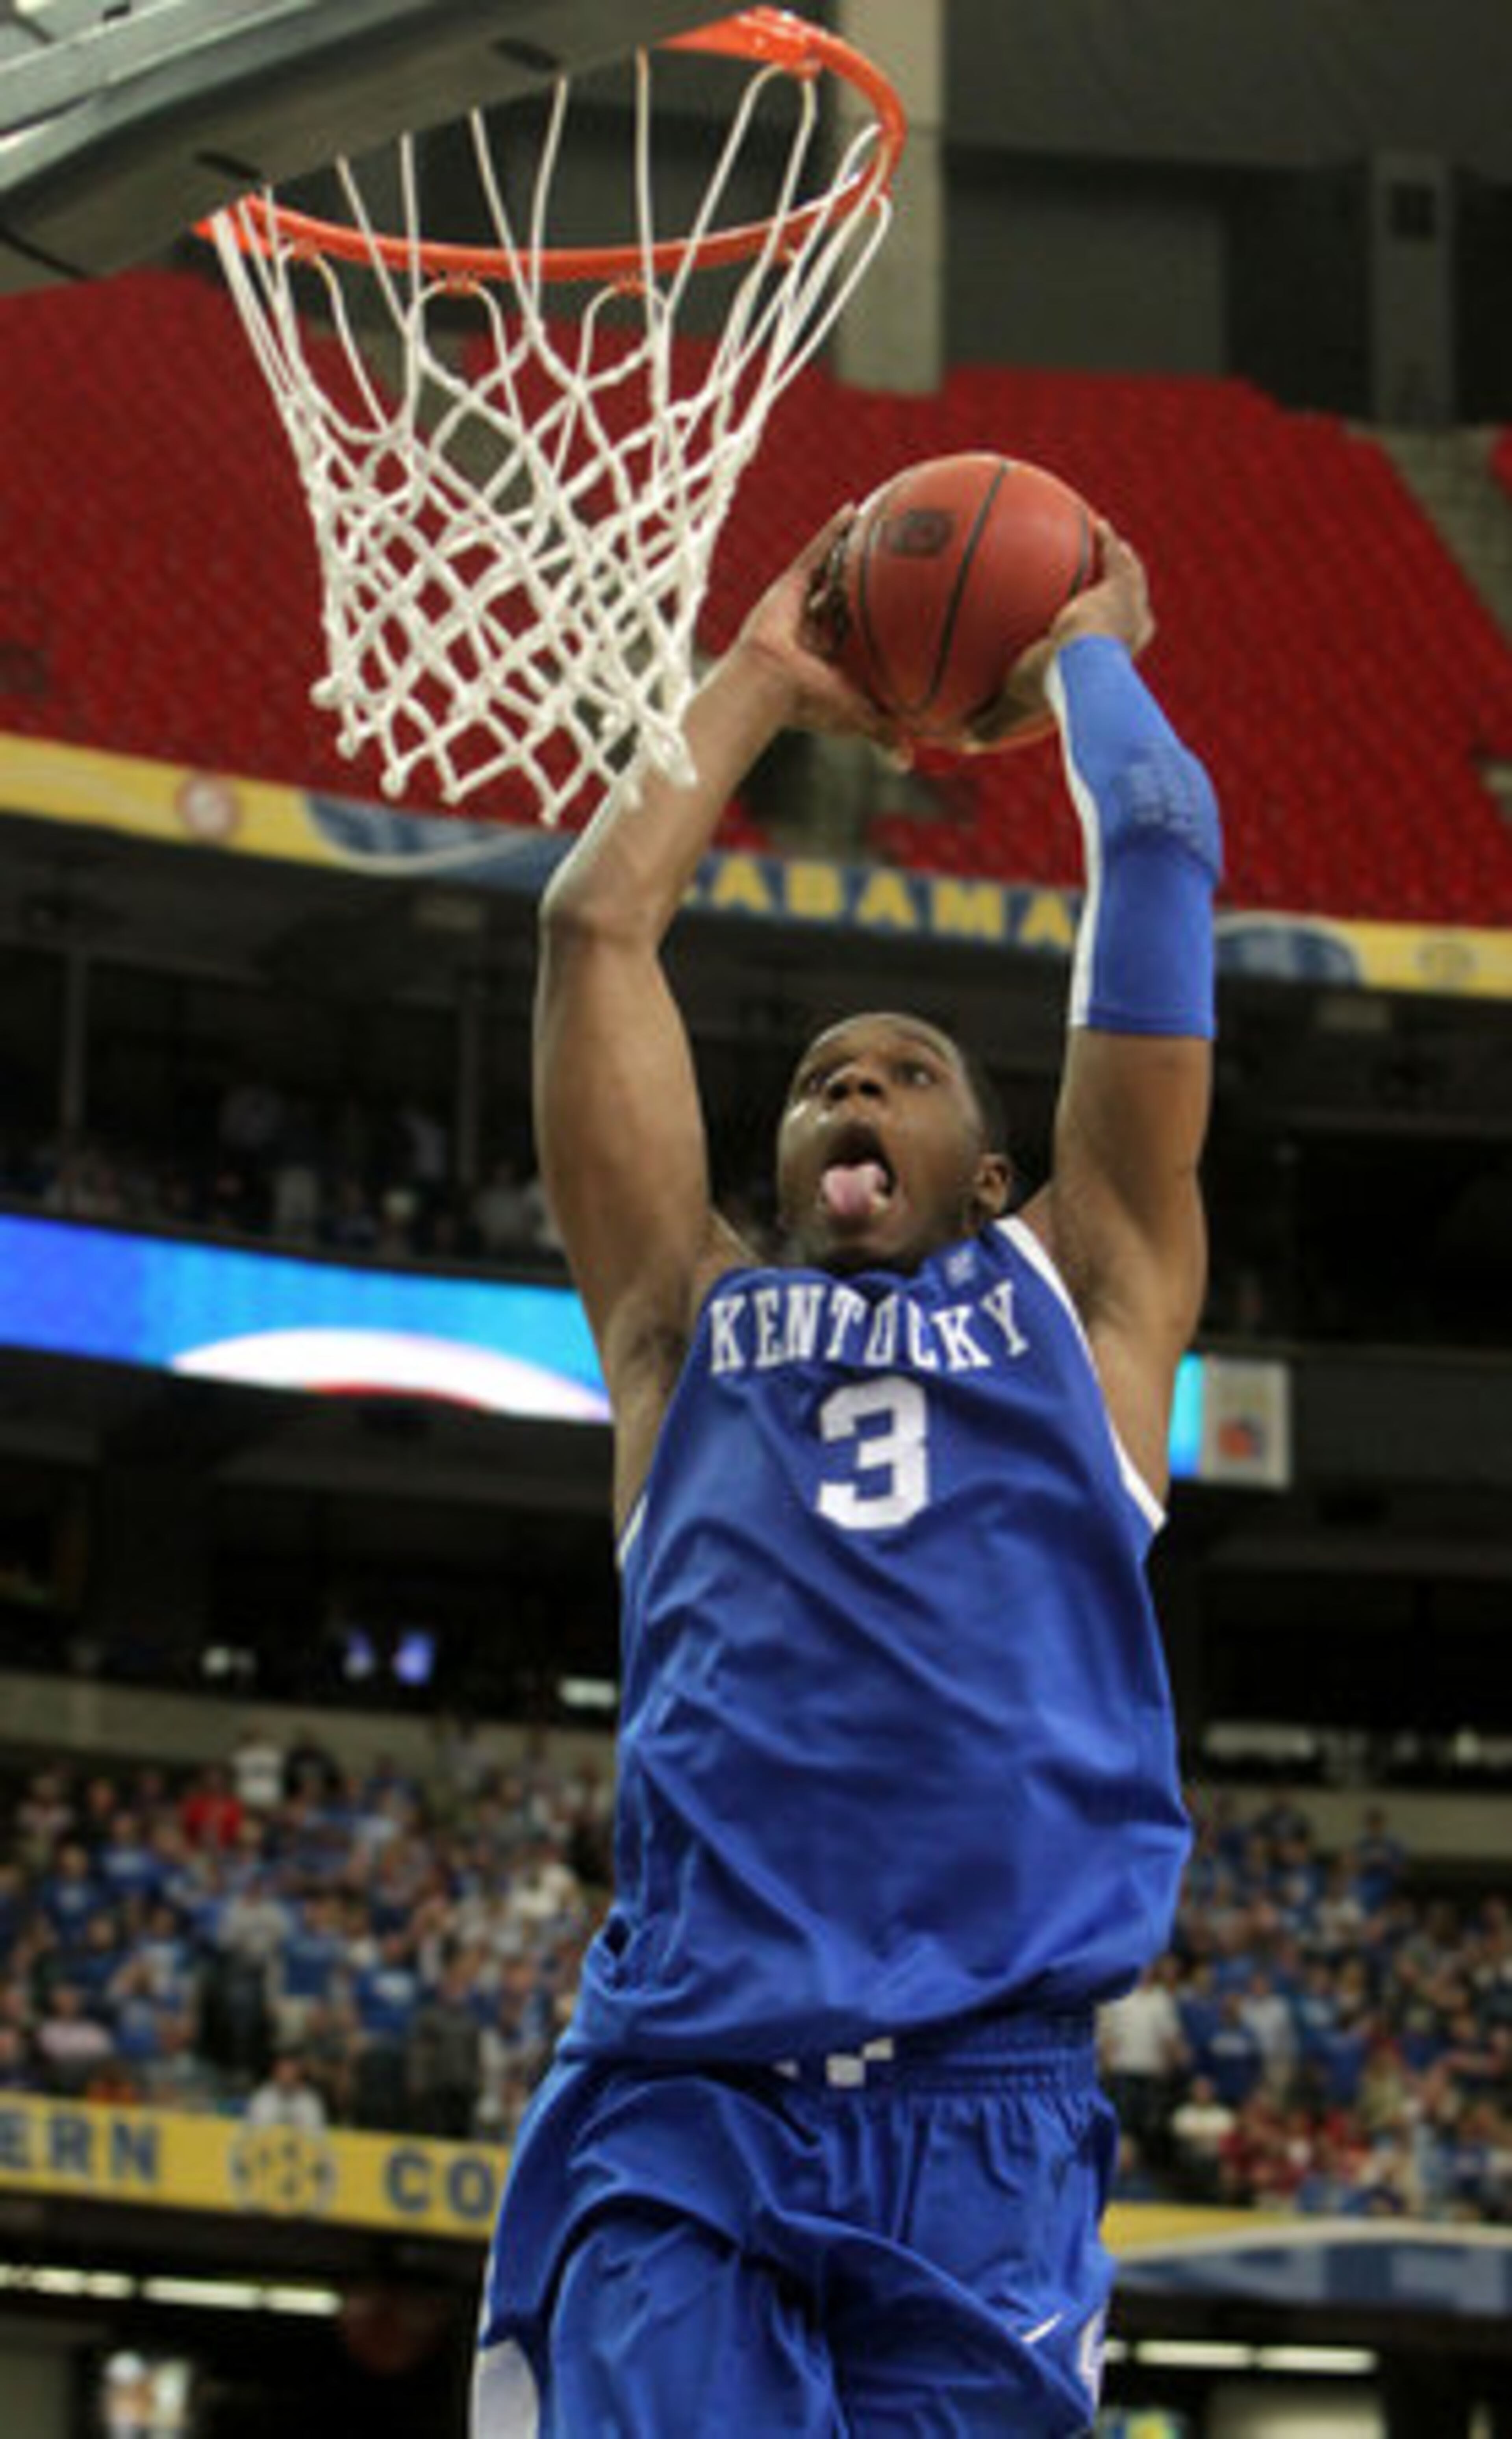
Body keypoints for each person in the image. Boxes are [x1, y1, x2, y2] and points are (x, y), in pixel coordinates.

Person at [473, 509, 1220, 2436]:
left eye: (900, 1071)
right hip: (692, 2092)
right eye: (817, 1079)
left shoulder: (1093, 1295)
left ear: (995, 1169)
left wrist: (1080, 657)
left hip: (990, 2111)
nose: (850, 1092)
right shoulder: (680, 1322)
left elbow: (1154, 845)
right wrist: (769, 680)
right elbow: (592, 926)